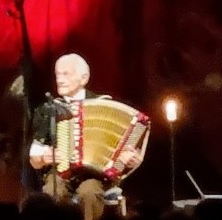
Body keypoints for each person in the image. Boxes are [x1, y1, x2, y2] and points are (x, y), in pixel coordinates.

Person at [29, 53, 147, 220]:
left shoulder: (104, 105)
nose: (60, 79)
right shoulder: (49, 110)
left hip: (95, 176)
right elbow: (33, 158)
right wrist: (43, 158)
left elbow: (122, 146)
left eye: (66, 74)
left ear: (84, 78)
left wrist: (129, 159)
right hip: (59, 174)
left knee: (89, 192)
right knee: (51, 192)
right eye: (57, 74)